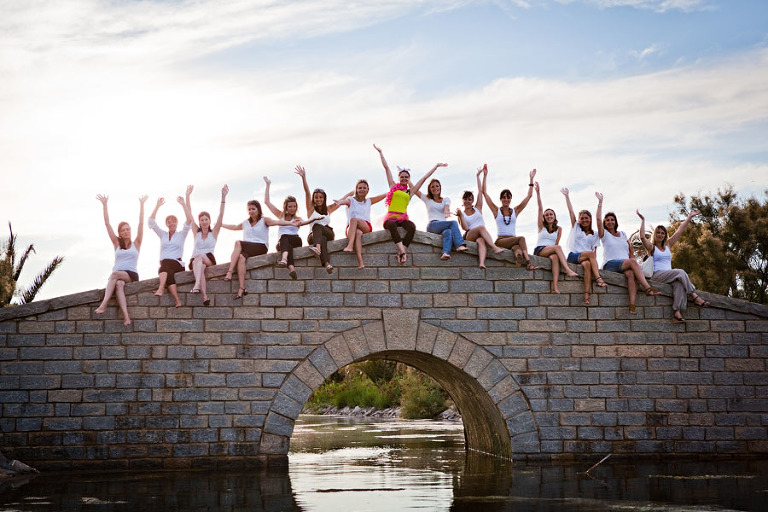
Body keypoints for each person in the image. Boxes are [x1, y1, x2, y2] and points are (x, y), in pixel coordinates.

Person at [374, 143, 445, 264]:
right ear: (399, 178)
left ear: (409, 179)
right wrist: (381, 153)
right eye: (402, 177)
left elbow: (423, 179)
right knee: (391, 225)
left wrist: (436, 167)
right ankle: (402, 252)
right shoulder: (393, 187)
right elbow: (386, 168)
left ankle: (402, 252)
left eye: (406, 177)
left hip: (402, 218)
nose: (404, 179)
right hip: (391, 218)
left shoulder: (410, 192)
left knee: (412, 227)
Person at [637, 209, 709, 322]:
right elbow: (642, 237)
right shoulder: (652, 247)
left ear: (665, 235)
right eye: (658, 232)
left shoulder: (668, 244)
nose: (660, 235)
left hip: (669, 275)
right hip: (657, 276)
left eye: (662, 232)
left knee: (679, 284)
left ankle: (677, 312)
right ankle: (694, 295)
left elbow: (680, 230)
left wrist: (690, 217)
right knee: (680, 272)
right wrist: (643, 220)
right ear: (655, 234)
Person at [221, 199, 300, 300]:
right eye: (249, 209)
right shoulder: (246, 222)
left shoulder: (264, 220)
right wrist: (221, 225)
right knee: (241, 258)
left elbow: (277, 222)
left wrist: (290, 223)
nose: (251, 211)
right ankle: (241, 288)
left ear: (258, 209)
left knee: (237, 243)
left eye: (253, 209)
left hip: (260, 246)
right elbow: (235, 227)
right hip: (248, 248)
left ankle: (230, 272)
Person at [596, 195, 660, 313]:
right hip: (610, 264)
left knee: (631, 274)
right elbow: (598, 219)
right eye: (608, 220)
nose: (610, 222)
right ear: (605, 223)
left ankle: (632, 306)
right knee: (631, 262)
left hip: (625, 264)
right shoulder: (604, 234)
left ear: (615, 222)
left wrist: (635, 265)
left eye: (612, 220)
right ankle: (647, 287)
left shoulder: (623, 234)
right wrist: (600, 202)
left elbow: (630, 251)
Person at [94, 194, 148, 326]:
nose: (126, 231)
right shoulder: (116, 243)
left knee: (114, 274)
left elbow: (141, 223)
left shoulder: (137, 243)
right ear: (120, 233)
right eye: (123, 230)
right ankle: (126, 317)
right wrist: (105, 205)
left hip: (131, 274)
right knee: (119, 285)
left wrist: (142, 205)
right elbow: (107, 224)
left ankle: (104, 303)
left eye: (128, 229)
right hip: (118, 277)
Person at [483, 167, 541, 270]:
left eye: (508, 197)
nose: (506, 199)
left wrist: (531, 179)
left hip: (512, 242)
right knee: (521, 238)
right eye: (504, 197)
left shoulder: (515, 211)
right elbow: (484, 192)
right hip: (501, 241)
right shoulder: (496, 210)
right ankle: (529, 263)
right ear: (500, 199)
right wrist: (485, 175)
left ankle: (518, 258)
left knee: (518, 249)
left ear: (511, 199)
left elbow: (529, 196)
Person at [181, 185, 228, 306]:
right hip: (195, 261)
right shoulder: (196, 232)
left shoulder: (214, 232)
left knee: (201, 256)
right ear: (199, 222)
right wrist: (187, 196)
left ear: (209, 221)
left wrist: (223, 197)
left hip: (208, 258)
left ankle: (196, 285)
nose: (204, 221)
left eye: (206, 219)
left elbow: (221, 215)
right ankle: (205, 297)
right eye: (201, 219)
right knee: (200, 267)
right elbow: (189, 214)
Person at [263, 176, 316, 280]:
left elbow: (304, 222)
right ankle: (291, 268)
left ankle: (284, 259)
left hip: (295, 240)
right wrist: (268, 185)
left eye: (294, 207)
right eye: (290, 207)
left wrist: (313, 220)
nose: (292, 209)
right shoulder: (280, 216)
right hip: (283, 244)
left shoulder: (297, 218)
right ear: (286, 207)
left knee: (284, 238)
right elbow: (267, 202)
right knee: (286, 244)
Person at [561, 188, 606, 304]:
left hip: (585, 259)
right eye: (582, 218)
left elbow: (594, 252)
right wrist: (567, 196)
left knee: (587, 265)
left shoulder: (595, 234)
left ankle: (586, 294)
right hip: (573, 256)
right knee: (590, 255)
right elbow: (570, 211)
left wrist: (593, 264)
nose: (584, 220)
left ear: (590, 219)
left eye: (587, 218)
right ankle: (598, 278)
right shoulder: (575, 227)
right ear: (579, 220)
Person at [148, 190, 193, 308]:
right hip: (166, 266)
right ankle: (177, 301)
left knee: (165, 263)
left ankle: (161, 288)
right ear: (166, 224)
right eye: (168, 222)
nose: (170, 223)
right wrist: (157, 206)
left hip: (177, 264)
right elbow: (151, 222)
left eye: (173, 221)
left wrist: (183, 204)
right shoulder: (162, 234)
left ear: (176, 223)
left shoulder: (181, 234)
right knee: (168, 273)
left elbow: (189, 220)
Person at [532, 182, 578, 293]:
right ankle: (567, 269)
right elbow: (539, 208)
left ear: (554, 216)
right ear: (544, 217)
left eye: (551, 214)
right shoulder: (541, 226)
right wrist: (538, 193)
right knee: (557, 247)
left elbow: (556, 242)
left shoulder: (559, 229)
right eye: (547, 215)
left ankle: (555, 286)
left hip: (550, 250)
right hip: (540, 250)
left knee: (555, 258)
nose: (549, 216)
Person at [455, 165, 504, 269]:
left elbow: (480, 191)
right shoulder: (461, 213)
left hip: (480, 235)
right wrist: (460, 216)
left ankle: (482, 263)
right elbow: (465, 228)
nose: (468, 201)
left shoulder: (478, 208)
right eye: (465, 199)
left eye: (470, 199)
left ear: (472, 200)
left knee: (481, 241)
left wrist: (481, 176)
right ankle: (494, 247)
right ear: (463, 201)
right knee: (481, 227)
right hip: (469, 235)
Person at [295, 165, 341, 274]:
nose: (318, 199)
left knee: (317, 226)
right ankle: (327, 264)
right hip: (314, 237)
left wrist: (353, 192)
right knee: (321, 238)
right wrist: (303, 178)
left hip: (328, 232)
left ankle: (318, 248)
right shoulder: (311, 209)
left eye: (321, 197)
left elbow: (343, 200)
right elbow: (307, 192)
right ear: (314, 199)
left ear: (324, 198)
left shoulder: (328, 209)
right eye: (316, 197)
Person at [415, 174, 469, 261]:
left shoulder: (446, 199)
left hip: (443, 226)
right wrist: (408, 180)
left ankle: (445, 253)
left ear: (440, 187)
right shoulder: (427, 199)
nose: (435, 188)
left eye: (437, 186)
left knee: (448, 232)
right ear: (429, 189)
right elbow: (415, 189)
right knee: (453, 223)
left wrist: (447, 211)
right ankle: (459, 245)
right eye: (432, 187)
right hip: (432, 225)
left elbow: (447, 206)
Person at [335, 179, 387, 269]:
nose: (362, 189)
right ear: (356, 190)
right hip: (351, 228)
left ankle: (350, 245)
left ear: (367, 190)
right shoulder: (351, 200)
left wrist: (394, 190)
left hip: (365, 226)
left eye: (364, 188)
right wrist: (340, 202)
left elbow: (382, 196)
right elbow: (345, 202)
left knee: (354, 219)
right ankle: (360, 262)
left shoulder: (369, 201)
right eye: (360, 188)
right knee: (358, 233)